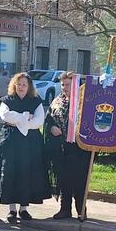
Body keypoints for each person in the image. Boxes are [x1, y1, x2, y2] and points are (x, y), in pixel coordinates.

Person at [0, 72, 51, 223]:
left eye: (24, 85)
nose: (21, 87)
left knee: (27, 174)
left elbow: (39, 121)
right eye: (19, 84)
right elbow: (6, 116)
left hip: (30, 144)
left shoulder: (36, 101)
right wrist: (26, 117)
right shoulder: (7, 100)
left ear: (29, 87)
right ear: (14, 85)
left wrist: (19, 119)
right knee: (10, 172)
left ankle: (24, 208)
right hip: (10, 143)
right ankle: (12, 209)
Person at [44, 71, 92, 220]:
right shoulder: (57, 101)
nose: (64, 87)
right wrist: (51, 128)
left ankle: (81, 209)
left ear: (75, 84)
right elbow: (48, 120)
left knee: (79, 179)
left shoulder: (85, 101)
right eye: (62, 84)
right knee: (64, 179)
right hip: (62, 147)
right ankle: (65, 209)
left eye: (68, 84)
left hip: (81, 148)